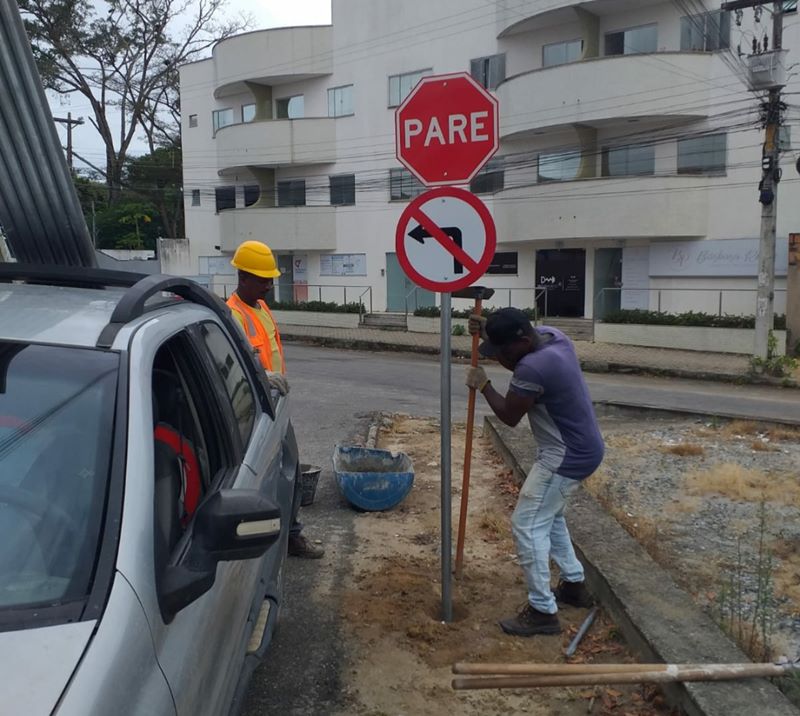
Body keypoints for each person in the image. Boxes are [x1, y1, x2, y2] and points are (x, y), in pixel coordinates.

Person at [465, 308, 604, 636]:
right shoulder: (555, 337)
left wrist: (484, 385)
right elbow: (518, 354)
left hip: (565, 456)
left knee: (527, 525)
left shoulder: (533, 367)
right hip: (582, 448)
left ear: (524, 343)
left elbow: (509, 416)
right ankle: (574, 586)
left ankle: (542, 612)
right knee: (549, 517)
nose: (498, 358)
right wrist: (490, 329)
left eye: (502, 352)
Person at [227, 240, 324, 560]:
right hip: (254, 412)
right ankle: (265, 543)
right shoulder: (233, 315)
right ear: (243, 277)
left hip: (275, 406)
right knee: (263, 479)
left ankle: (290, 535)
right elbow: (235, 366)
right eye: (263, 280)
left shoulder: (260, 307)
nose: (269, 286)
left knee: (290, 472)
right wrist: (261, 377)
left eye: (270, 279)